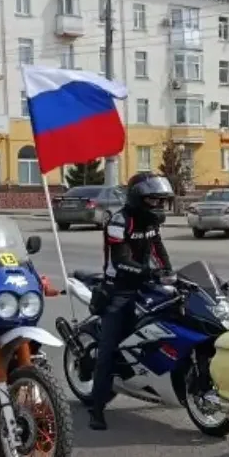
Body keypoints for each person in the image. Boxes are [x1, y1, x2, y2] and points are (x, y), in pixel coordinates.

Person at [88, 171, 175, 431]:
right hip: (119, 289)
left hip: (145, 283)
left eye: (161, 200)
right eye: (153, 200)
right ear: (138, 198)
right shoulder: (119, 221)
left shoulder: (150, 222)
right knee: (108, 350)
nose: (157, 205)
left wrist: (170, 273)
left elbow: (158, 249)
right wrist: (148, 272)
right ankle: (96, 407)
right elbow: (121, 262)